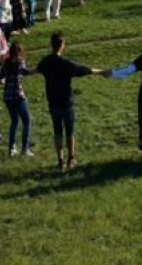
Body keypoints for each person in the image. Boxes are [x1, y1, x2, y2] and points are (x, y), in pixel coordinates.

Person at [35, 31, 104, 171]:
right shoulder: (66, 63)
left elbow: (33, 70)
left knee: (57, 132)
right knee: (70, 131)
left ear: (51, 44)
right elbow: (83, 69)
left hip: (53, 102)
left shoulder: (45, 62)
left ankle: (60, 161)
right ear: (62, 45)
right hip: (66, 102)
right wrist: (100, 72)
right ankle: (71, 158)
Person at [0, 41, 34, 157]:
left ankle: (12, 148)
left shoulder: (6, 63)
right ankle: (25, 148)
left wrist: (5, 81)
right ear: (19, 52)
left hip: (7, 96)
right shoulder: (20, 62)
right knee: (27, 121)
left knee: (14, 121)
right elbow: (25, 71)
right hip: (18, 95)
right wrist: (37, 69)